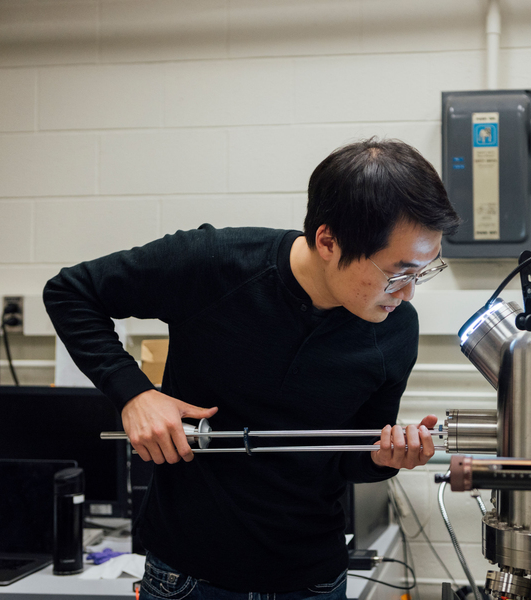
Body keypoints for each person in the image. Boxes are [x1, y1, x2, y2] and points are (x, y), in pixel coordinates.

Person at [43, 138, 461, 599]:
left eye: (422, 272)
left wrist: (383, 458)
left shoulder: (396, 327)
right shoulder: (215, 264)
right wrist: (133, 393)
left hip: (312, 580)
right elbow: (70, 292)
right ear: (328, 241)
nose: (407, 293)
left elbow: (348, 457)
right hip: (188, 577)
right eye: (398, 272)